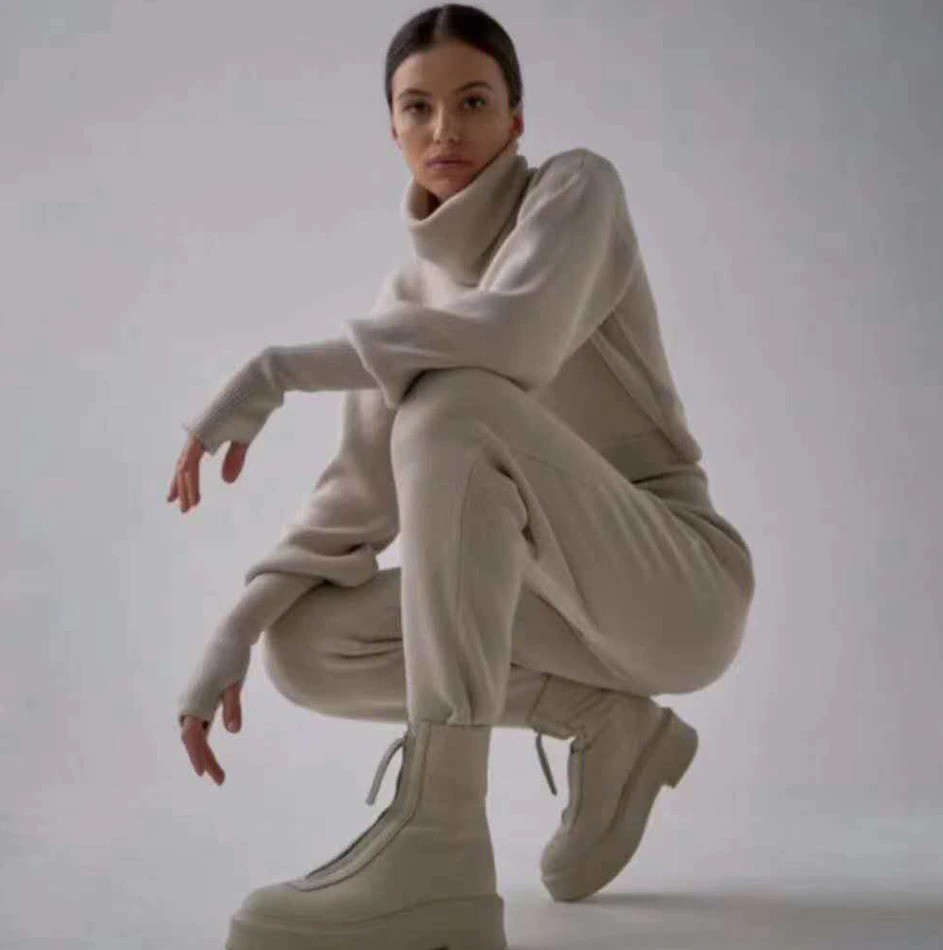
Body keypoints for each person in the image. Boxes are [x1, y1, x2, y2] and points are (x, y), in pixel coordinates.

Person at [169, 4, 756, 946]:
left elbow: (511, 337)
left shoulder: (575, 192)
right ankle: (608, 726)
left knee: (454, 405)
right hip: (552, 614)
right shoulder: (406, 303)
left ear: (516, 120)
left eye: (474, 102)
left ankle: (438, 839)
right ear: (393, 130)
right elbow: (352, 508)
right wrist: (232, 633)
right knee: (307, 644)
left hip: (675, 585)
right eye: (419, 108)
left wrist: (277, 370)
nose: (446, 129)